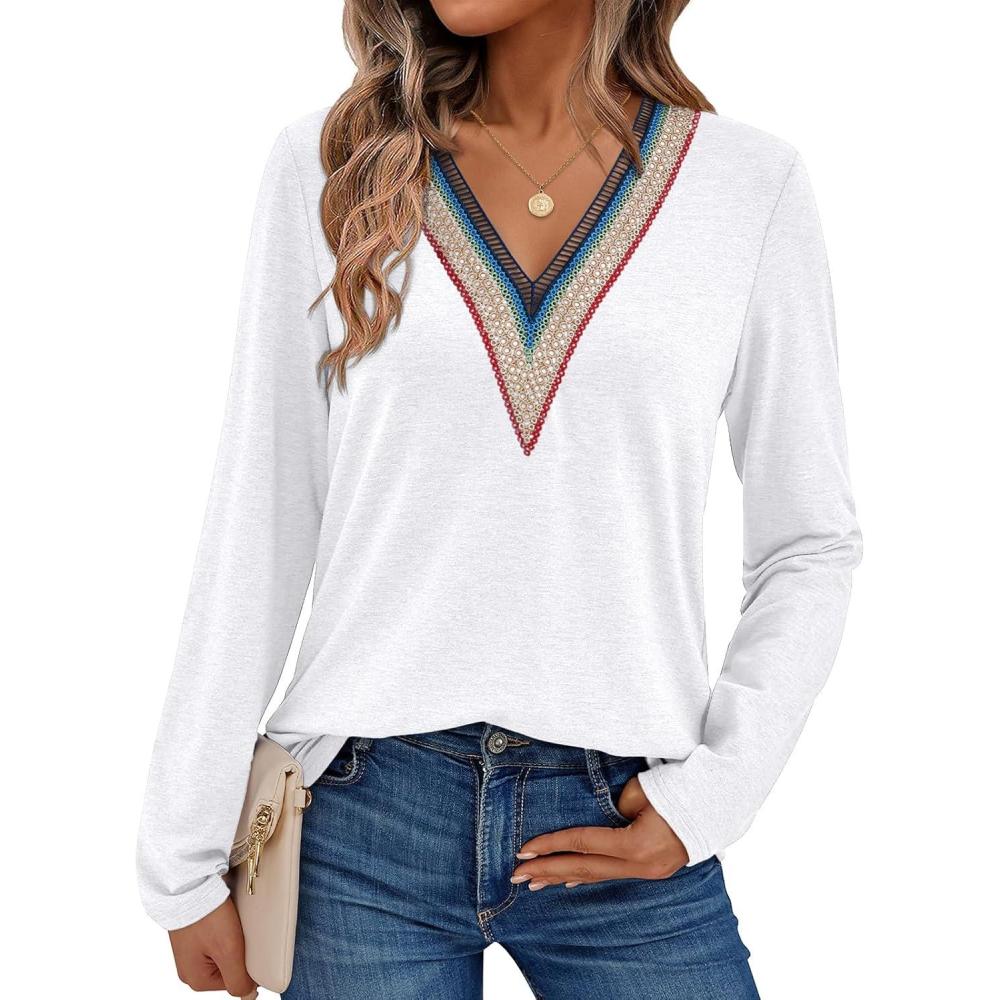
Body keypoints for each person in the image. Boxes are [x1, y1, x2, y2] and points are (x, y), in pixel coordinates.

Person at [137, 0, 862, 996]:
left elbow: (810, 542)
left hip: (625, 810)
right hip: (358, 820)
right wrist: (181, 857)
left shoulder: (747, 187)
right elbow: (257, 522)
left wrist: (712, 797)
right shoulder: (330, 165)